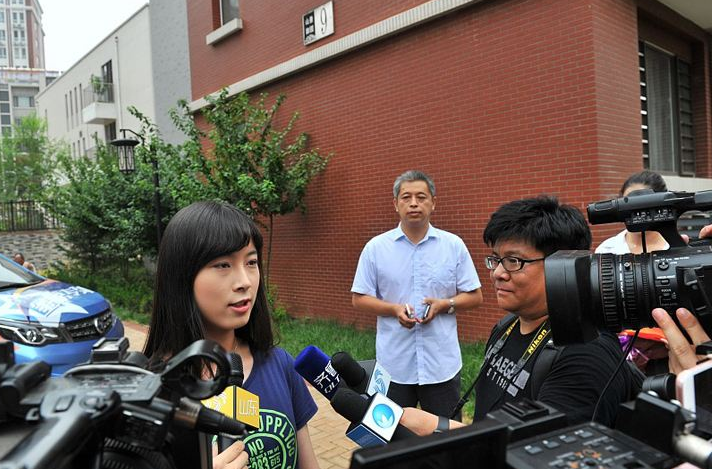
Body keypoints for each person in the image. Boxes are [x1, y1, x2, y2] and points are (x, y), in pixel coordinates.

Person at [400, 196, 636, 435]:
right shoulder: (506, 327)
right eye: (496, 260)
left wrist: (438, 429)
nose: (498, 273)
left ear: (563, 264)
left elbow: (548, 454)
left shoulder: (586, 351)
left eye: (513, 261)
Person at [143, 201, 320, 469]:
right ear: (181, 277)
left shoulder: (280, 364)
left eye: (251, 262)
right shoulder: (151, 391)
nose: (245, 281)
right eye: (223, 265)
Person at [351, 170, 483, 420]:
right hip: (394, 366)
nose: (413, 203)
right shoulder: (375, 249)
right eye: (406, 197)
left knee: (446, 435)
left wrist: (446, 304)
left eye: (421, 197)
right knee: (392, 435)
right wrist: (393, 309)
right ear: (395, 204)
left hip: (441, 365)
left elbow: (475, 296)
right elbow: (359, 298)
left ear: (434, 202)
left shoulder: (453, 245)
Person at [595, 170, 669, 254]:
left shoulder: (677, 250)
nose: (635, 211)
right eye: (627, 203)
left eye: (642, 203)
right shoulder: (606, 250)